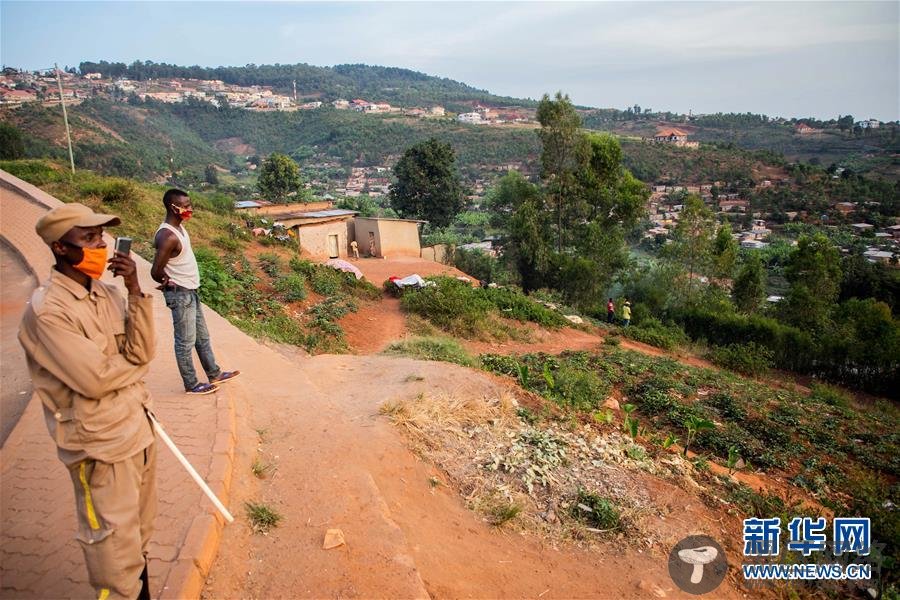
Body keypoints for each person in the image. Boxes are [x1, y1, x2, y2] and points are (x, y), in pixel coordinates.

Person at [18, 203, 157, 600]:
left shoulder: (110, 294)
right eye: (89, 237)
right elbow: (95, 380)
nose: (102, 244)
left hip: (138, 431)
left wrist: (134, 290)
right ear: (61, 248)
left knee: (140, 536)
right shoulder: (49, 312)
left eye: (102, 236)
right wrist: (134, 366)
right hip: (100, 447)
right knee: (114, 557)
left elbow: (143, 351)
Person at [151, 189, 239, 395]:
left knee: (202, 337)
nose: (190, 209)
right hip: (180, 294)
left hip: (190, 291)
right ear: (173, 207)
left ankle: (214, 373)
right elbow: (155, 270)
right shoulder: (167, 236)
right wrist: (167, 281)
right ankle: (191, 384)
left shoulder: (179, 228)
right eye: (185, 205)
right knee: (185, 341)